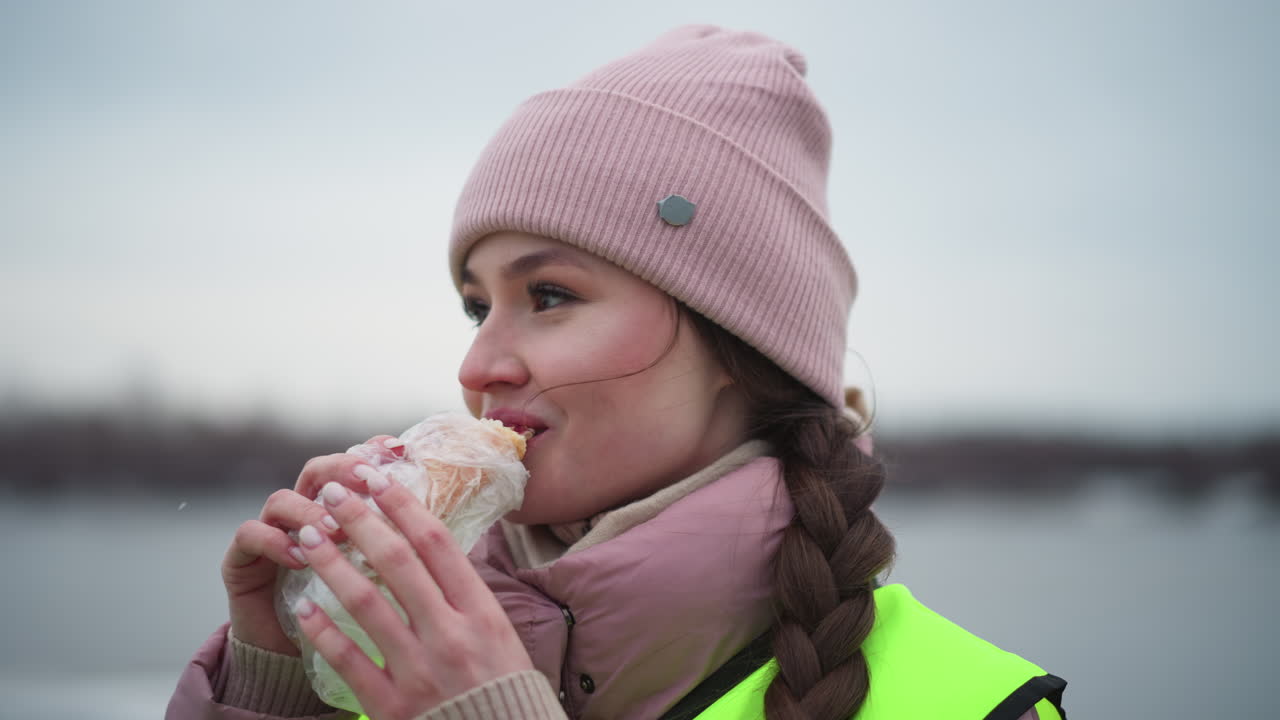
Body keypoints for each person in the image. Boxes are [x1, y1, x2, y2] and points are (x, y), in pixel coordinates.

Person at [167, 24, 1067, 720]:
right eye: (477, 305)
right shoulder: (396, 666)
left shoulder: (982, 704)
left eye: (550, 295)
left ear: (736, 348)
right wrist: (279, 685)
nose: (478, 364)